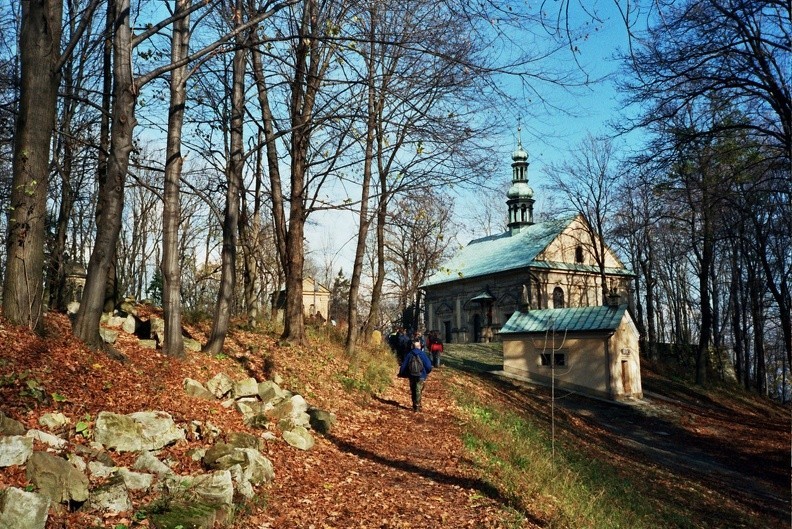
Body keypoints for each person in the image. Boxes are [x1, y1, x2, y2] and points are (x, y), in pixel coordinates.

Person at [398, 338, 433, 412]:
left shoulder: (409, 354)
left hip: (411, 375)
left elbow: (404, 365)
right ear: (419, 347)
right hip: (421, 375)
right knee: (418, 389)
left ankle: (415, 404)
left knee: (413, 389)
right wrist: (426, 372)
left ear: (412, 347)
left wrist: (401, 373)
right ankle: (417, 404)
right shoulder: (422, 354)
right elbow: (428, 366)